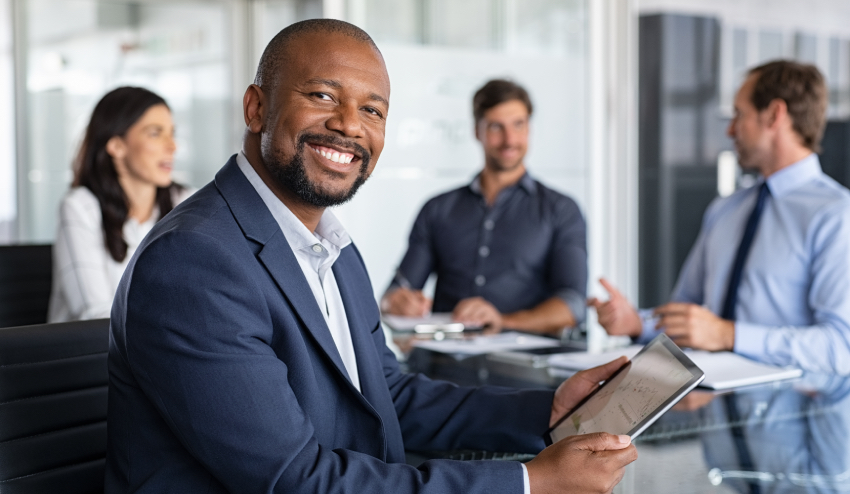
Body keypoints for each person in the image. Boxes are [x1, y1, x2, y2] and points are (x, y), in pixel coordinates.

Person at [105, 19, 636, 493]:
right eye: (322, 95)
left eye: (372, 110)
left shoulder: (332, 248)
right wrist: (530, 483)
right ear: (256, 106)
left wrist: (550, 409)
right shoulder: (195, 261)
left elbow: (389, 397)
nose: (350, 125)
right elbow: (294, 480)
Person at [589, 60, 850, 375]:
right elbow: (690, 316)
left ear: (774, 115)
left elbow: (840, 347)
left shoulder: (836, 215)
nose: (729, 129)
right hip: (710, 406)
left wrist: (729, 335)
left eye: (739, 114)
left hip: (792, 415)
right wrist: (636, 323)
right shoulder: (725, 210)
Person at [381, 79, 587, 335]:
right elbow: (396, 291)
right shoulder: (437, 209)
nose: (509, 139)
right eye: (496, 127)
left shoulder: (561, 210)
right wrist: (397, 302)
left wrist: (503, 321)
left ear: (529, 128)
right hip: (444, 364)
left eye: (518, 125)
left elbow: (573, 305)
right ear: (477, 131)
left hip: (525, 366)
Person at [48, 87, 191, 322]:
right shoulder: (80, 208)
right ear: (116, 146)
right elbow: (94, 317)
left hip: (163, 352)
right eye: (155, 133)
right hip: (91, 355)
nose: (172, 146)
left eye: (172, 133)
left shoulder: (187, 202)